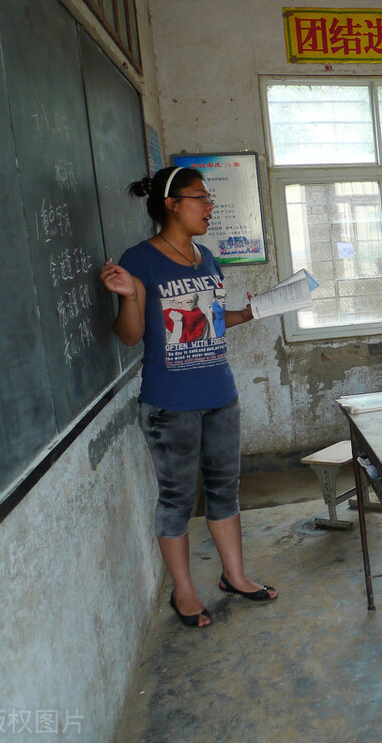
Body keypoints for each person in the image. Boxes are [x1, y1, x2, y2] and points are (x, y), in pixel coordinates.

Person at [99, 166, 276, 629]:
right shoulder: (139, 260)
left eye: (210, 199)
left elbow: (213, 323)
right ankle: (184, 591)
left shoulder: (206, 257)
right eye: (200, 198)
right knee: (177, 498)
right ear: (171, 204)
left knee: (224, 490)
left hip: (220, 392)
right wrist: (128, 297)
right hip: (169, 402)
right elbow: (130, 336)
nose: (209, 207)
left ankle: (234, 576)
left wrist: (253, 310)